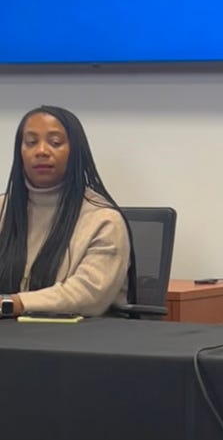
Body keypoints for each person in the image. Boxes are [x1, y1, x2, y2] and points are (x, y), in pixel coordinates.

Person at [0, 105, 135, 317]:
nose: (42, 151)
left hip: (77, 341)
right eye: (31, 142)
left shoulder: (104, 220)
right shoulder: (2, 210)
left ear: (75, 151)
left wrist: (14, 303)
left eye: (55, 143)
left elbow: (88, 295)